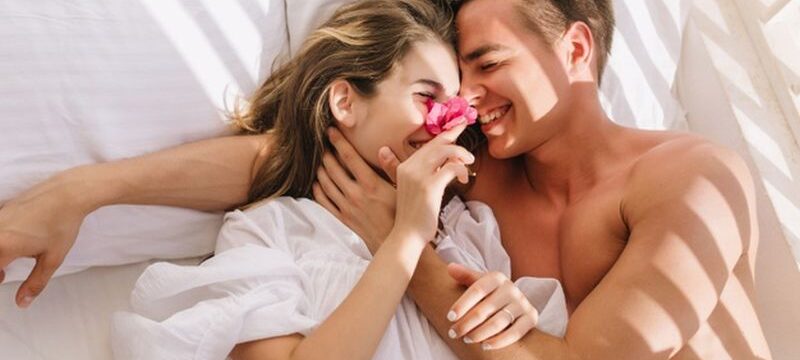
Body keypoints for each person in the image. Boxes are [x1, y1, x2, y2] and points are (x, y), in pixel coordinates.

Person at [0, 0, 772, 358]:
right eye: (455, 79)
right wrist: (85, 190)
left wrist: (404, 253)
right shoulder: (476, 163)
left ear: (575, 50)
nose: (466, 101)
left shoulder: (694, 178)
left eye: (490, 66)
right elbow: (296, 157)